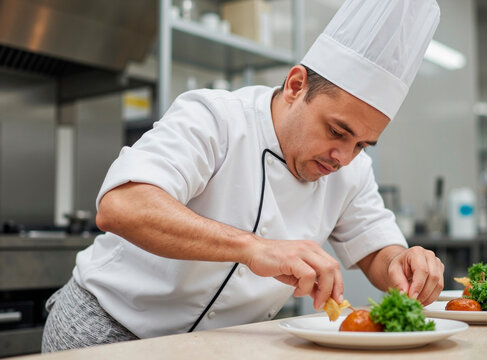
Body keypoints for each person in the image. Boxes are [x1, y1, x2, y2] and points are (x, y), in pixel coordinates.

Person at [42, 0, 443, 352]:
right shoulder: (216, 118)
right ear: (296, 85)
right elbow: (121, 206)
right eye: (337, 132)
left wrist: (402, 262)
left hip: (216, 345)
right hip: (108, 330)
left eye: (362, 144)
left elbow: (376, 249)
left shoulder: (351, 169)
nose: (343, 156)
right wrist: (254, 247)